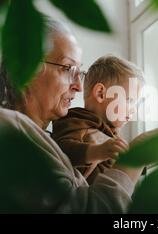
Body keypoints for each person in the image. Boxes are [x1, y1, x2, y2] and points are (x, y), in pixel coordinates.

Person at [0, 19, 144, 213]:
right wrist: (136, 157)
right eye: (68, 68)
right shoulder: (0, 128)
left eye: (80, 72)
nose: (78, 86)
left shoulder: (45, 142)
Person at [51, 55, 144, 184]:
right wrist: (97, 151)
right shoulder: (76, 120)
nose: (134, 109)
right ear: (101, 93)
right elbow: (61, 151)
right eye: (129, 100)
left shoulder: (112, 133)